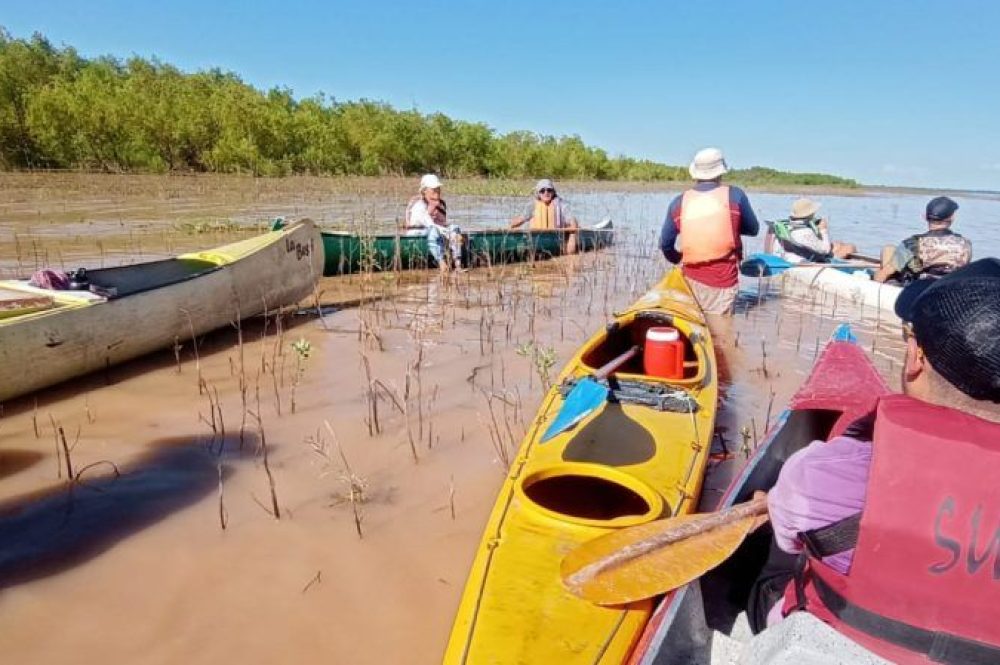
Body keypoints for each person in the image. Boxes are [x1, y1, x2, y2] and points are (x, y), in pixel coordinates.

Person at [754, 258, 1000, 662]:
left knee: (781, 559)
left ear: (915, 356)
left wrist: (774, 503)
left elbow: (790, 535)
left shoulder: (821, 473)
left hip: (835, 647)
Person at [659, 147, 760, 315]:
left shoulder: (678, 202)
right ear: (720, 173)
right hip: (723, 283)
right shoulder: (736, 195)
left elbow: (666, 244)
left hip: (689, 281)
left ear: (696, 173)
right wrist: (731, 226)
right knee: (720, 332)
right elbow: (753, 229)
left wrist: (677, 258)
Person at [873, 195, 971, 283]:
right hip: (948, 288)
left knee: (888, 250)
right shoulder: (966, 244)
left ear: (925, 217)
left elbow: (884, 274)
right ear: (952, 218)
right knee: (890, 249)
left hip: (919, 289)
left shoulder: (912, 243)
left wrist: (875, 278)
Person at [405, 173, 464, 272]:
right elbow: (431, 225)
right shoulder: (418, 206)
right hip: (418, 234)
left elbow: (443, 223)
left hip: (437, 232)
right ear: (424, 191)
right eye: (433, 190)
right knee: (434, 231)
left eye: (438, 189)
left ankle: (458, 264)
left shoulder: (440, 204)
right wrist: (449, 235)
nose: (437, 192)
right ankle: (441, 263)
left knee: (454, 227)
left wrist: (453, 233)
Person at [767, 198, 857, 262]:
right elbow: (825, 250)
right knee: (850, 247)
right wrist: (823, 230)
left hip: (798, 251)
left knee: (839, 244)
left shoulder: (788, 226)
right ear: (810, 214)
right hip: (809, 257)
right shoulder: (804, 232)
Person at [510, 179, 580, 254]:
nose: (546, 193)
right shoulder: (532, 206)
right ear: (538, 193)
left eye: (549, 190)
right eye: (542, 191)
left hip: (557, 237)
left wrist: (572, 232)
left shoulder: (561, 205)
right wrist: (511, 226)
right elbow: (521, 219)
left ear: (553, 192)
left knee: (572, 235)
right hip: (536, 238)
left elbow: (572, 220)